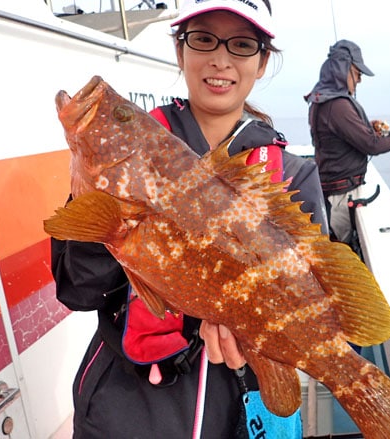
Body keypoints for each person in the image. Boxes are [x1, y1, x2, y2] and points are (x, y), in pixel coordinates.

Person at [51, 0, 328, 437]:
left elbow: (310, 300)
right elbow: (78, 290)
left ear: (262, 62)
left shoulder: (294, 177)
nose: (220, 59)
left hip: (235, 409)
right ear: (180, 51)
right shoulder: (136, 149)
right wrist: (100, 207)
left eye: (241, 44)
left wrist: (261, 349)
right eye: (203, 39)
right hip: (123, 410)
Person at [305, 39, 390, 246]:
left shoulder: (322, 100)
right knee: (340, 250)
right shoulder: (337, 104)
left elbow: (336, 136)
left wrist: (365, 127)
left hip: (331, 191)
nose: (359, 80)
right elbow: (371, 145)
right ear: (342, 70)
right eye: (358, 74)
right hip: (339, 196)